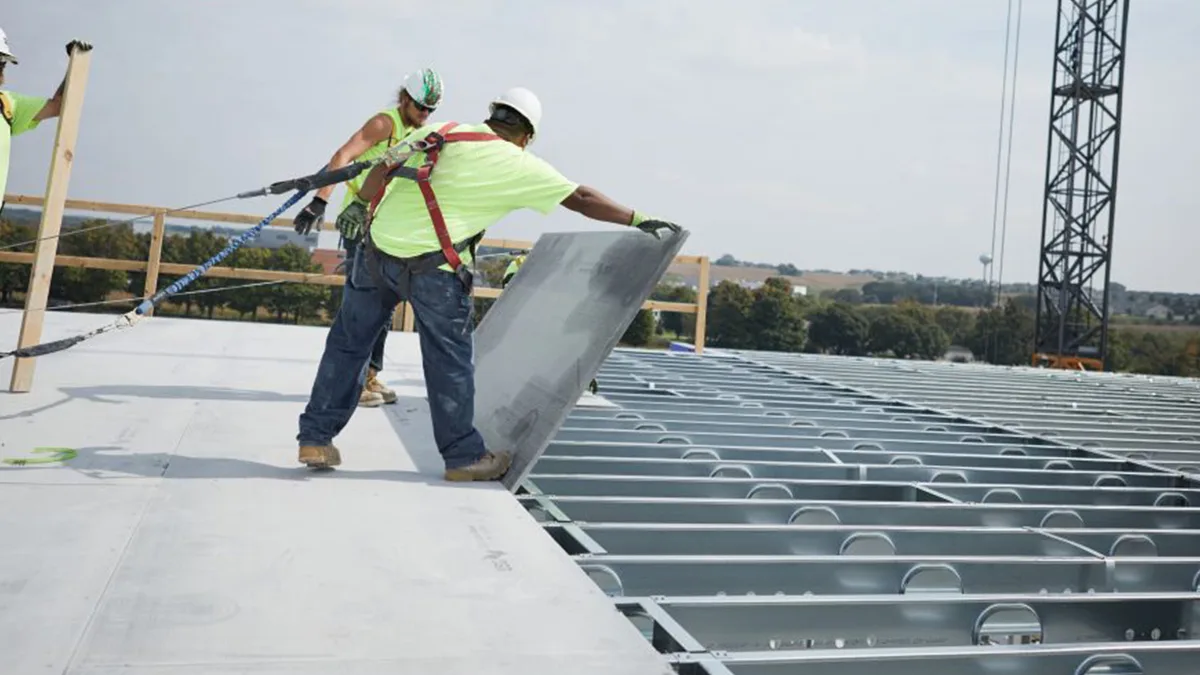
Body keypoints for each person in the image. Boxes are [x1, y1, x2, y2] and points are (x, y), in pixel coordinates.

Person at [295, 86, 680, 481]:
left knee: (347, 345)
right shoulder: (518, 163)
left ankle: (315, 438)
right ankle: (462, 457)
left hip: (376, 254)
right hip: (434, 269)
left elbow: (381, 166)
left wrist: (361, 203)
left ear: (492, 115)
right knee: (450, 363)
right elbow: (580, 197)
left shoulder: (442, 130)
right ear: (527, 136)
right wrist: (636, 219)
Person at [291, 68, 445, 408]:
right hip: (359, 221)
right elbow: (343, 156)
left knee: (384, 306)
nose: (424, 114)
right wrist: (319, 201)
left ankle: (370, 374)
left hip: (388, 226)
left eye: (430, 110)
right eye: (420, 106)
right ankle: (353, 382)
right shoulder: (385, 123)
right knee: (361, 308)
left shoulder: (421, 131)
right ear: (405, 98)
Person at [1, 30, 91, 213]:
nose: (3, 78)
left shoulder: (7, 104)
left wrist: (74, 65)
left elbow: (59, 106)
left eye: (2, 68)